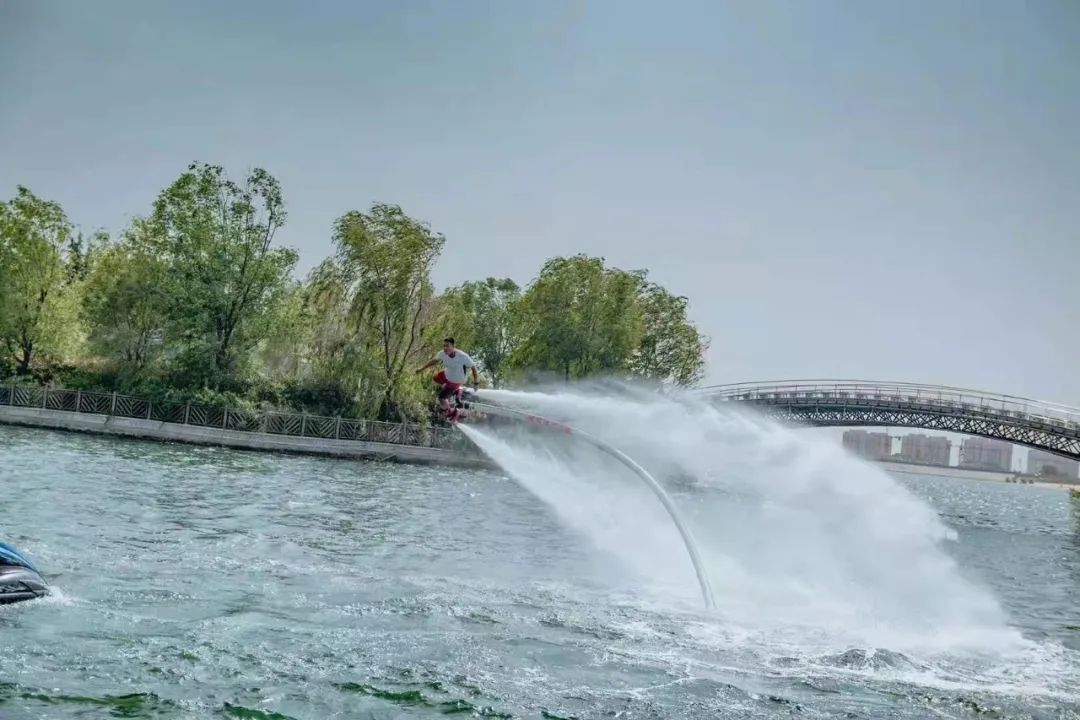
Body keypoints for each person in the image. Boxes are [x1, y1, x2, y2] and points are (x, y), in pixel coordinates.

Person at [414, 337, 480, 422]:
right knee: (435, 377)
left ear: (453, 346)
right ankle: (456, 392)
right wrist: (422, 369)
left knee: (441, 398)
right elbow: (433, 361)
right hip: (447, 374)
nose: (445, 348)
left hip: (456, 380)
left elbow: (473, 368)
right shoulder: (442, 353)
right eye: (444, 346)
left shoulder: (462, 356)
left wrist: (476, 383)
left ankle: (455, 411)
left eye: (448, 346)